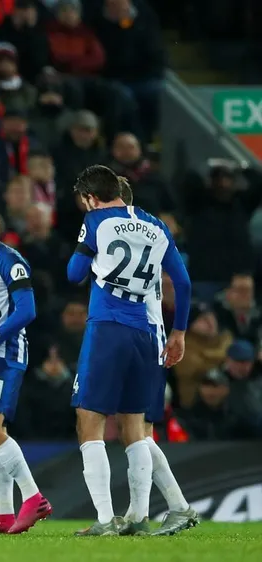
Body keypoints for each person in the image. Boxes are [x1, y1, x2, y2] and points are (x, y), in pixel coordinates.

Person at [67, 165, 191, 536]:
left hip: (108, 327)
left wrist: (89, 255)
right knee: (136, 427)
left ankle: (106, 519)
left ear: (91, 198)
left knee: (89, 419)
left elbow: (74, 274)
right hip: (149, 333)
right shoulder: (156, 225)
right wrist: (180, 332)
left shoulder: (96, 221)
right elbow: (183, 283)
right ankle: (139, 517)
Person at [117, 182, 198, 536]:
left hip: (142, 336)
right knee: (138, 430)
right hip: (151, 335)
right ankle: (166, 508)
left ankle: (151, 512)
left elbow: (183, 282)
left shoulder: (117, 234)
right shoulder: (152, 231)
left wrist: (179, 332)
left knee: (136, 428)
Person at [0, 195, 50, 534]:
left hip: (6, 354)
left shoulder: (10, 260)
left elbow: (27, 310)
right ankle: (4, 512)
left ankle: (33, 497)